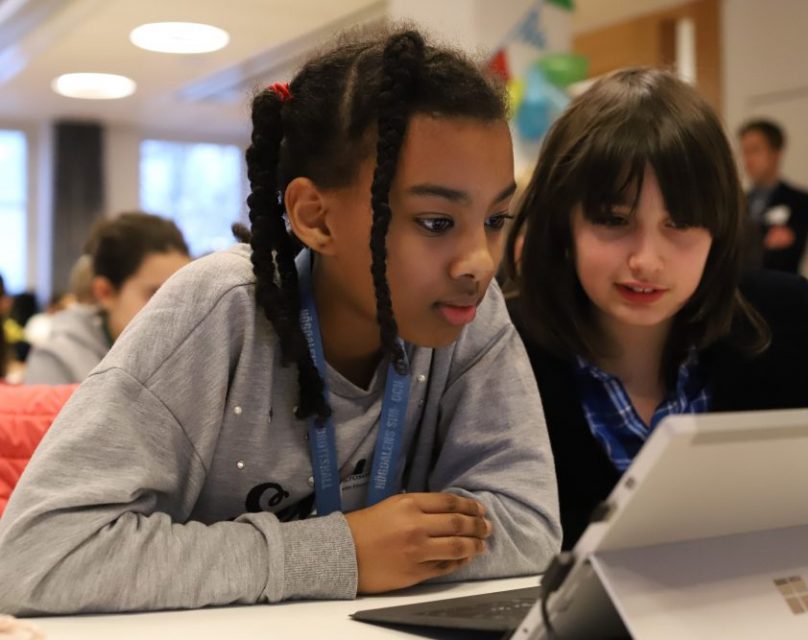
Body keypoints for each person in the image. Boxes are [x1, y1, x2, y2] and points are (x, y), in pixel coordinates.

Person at [0, 25, 560, 615]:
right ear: (315, 218)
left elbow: (529, 526)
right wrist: (341, 553)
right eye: (436, 222)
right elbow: (33, 558)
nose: (480, 262)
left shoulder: (470, 312)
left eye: (496, 220)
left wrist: (384, 552)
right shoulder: (220, 309)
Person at [505, 68, 808, 549]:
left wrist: (796, 523)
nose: (646, 260)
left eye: (680, 223)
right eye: (614, 220)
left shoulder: (781, 316)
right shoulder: (503, 346)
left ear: (718, 228)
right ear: (564, 222)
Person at [23, 212, 190, 385]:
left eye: (185, 294)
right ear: (105, 293)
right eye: (156, 294)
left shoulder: (190, 356)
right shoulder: (55, 360)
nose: (177, 311)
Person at [738, 118, 808, 274]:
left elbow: (791, 254)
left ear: (776, 153)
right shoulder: (737, 202)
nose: (748, 160)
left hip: (779, 284)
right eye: (744, 152)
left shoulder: (799, 200)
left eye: (755, 150)